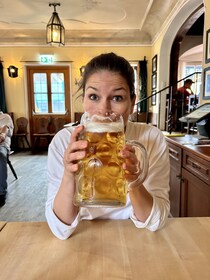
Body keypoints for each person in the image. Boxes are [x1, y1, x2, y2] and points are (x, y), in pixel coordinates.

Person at [46, 52, 170, 240]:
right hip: (83, 237)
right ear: (84, 100)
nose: (104, 109)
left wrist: (134, 181)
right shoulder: (63, 142)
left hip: (137, 237)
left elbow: (156, 221)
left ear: (132, 103)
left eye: (117, 98)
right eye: (94, 96)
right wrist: (68, 174)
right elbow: (59, 229)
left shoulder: (151, 138)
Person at [0, 111, 14, 207]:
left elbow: (5, 129)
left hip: (2, 145)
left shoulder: (4, 117)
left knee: (0, 155)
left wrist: (2, 135)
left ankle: (1, 192)